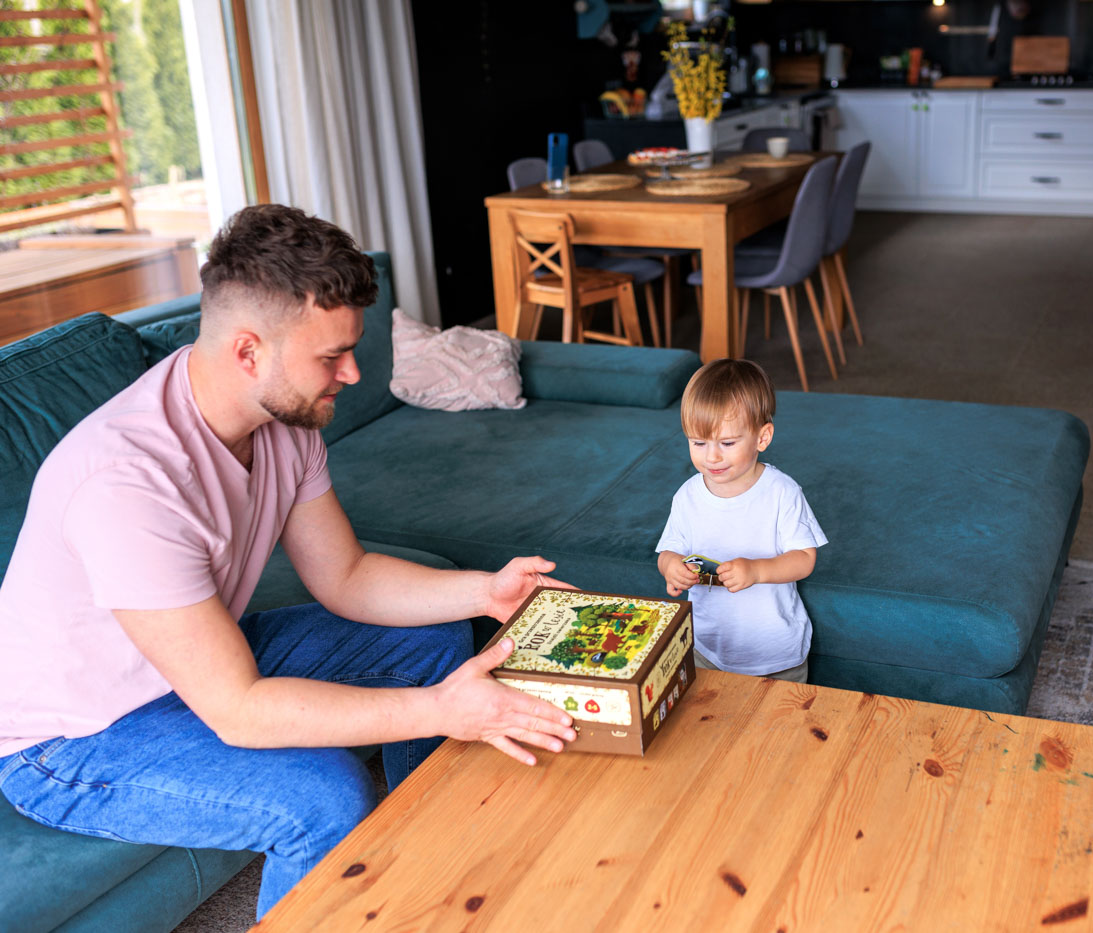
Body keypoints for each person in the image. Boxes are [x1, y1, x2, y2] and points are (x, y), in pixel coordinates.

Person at [0, 204, 576, 918]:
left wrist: (487, 591)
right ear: (248, 352)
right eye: (331, 357)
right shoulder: (128, 482)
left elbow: (347, 576)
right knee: (321, 797)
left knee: (433, 638)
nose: (353, 372)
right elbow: (238, 711)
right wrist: (442, 710)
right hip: (75, 739)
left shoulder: (285, 419)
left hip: (199, 668)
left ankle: (427, 862)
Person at [655, 359, 826, 682]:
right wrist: (671, 567)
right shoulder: (688, 496)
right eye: (698, 443)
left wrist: (756, 571)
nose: (712, 456)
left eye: (727, 443)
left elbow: (805, 558)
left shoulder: (782, 492)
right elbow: (669, 550)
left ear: (762, 438)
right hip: (706, 648)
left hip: (776, 655)